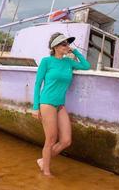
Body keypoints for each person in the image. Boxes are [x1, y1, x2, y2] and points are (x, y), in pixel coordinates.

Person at [32, 32, 91, 176]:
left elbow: (86, 66)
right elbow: (38, 84)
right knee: (51, 139)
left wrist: (75, 51)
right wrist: (35, 107)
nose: (67, 46)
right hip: (47, 103)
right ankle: (46, 172)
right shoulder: (46, 61)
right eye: (64, 44)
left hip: (60, 105)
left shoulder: (68, 62)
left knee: (66, 140)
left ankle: (42, 161)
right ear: (55, 47)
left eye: (68, 43)